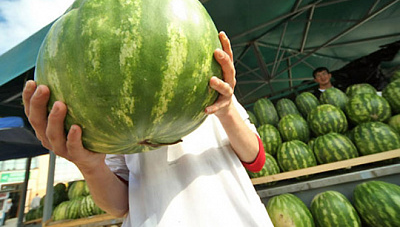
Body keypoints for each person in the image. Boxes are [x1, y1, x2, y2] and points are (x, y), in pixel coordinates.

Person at [23, 32, 274, 226]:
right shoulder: (114, 112)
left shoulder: (212, 92)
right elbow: (119, 206)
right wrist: (90, 166)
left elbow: (255, 159)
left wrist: (227, 110)